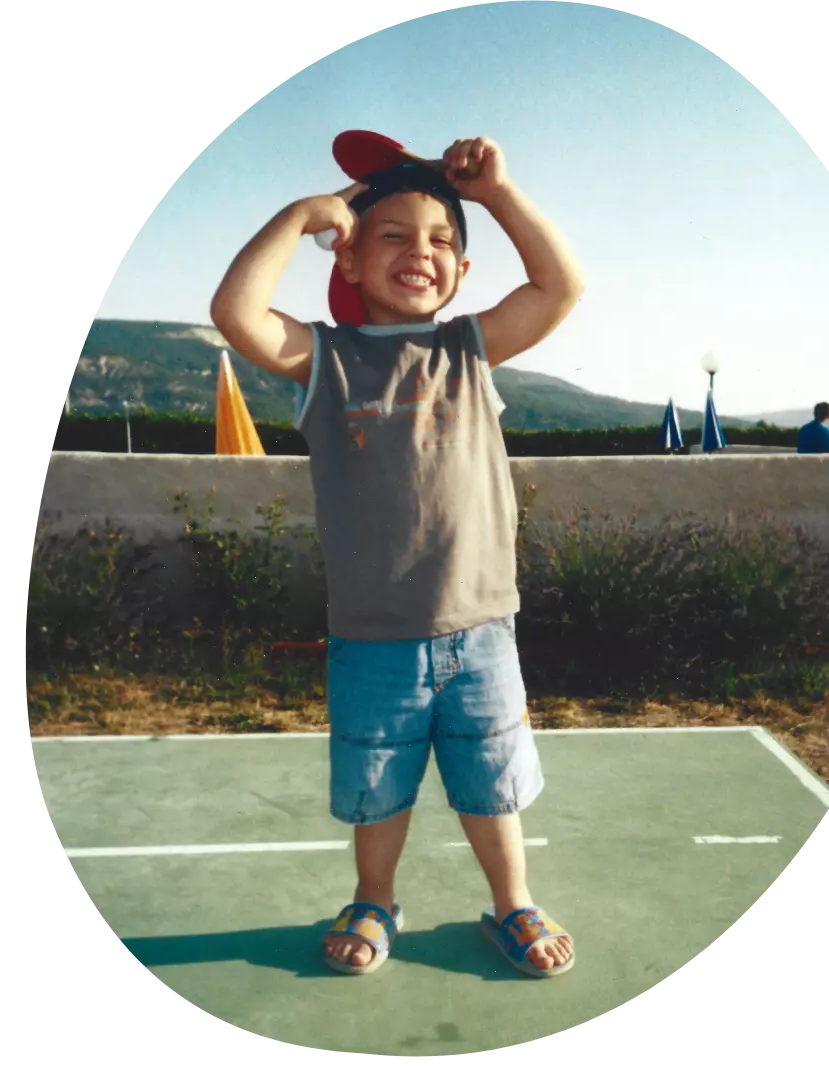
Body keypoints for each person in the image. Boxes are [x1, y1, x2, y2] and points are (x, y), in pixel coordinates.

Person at [210, 137, 585, 977]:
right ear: (346, 253)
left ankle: (511, 903)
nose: (420, 252)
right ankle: (373, 898)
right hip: (373, 636)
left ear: (459, 268)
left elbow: (560, 286)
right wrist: (301, 214)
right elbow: (236, 313)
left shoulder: (468, 347)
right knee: (377, 788)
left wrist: (499, 193)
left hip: (482, 627)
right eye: (393, 236)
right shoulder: (325, 360)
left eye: (441, 241)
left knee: (491, 785)